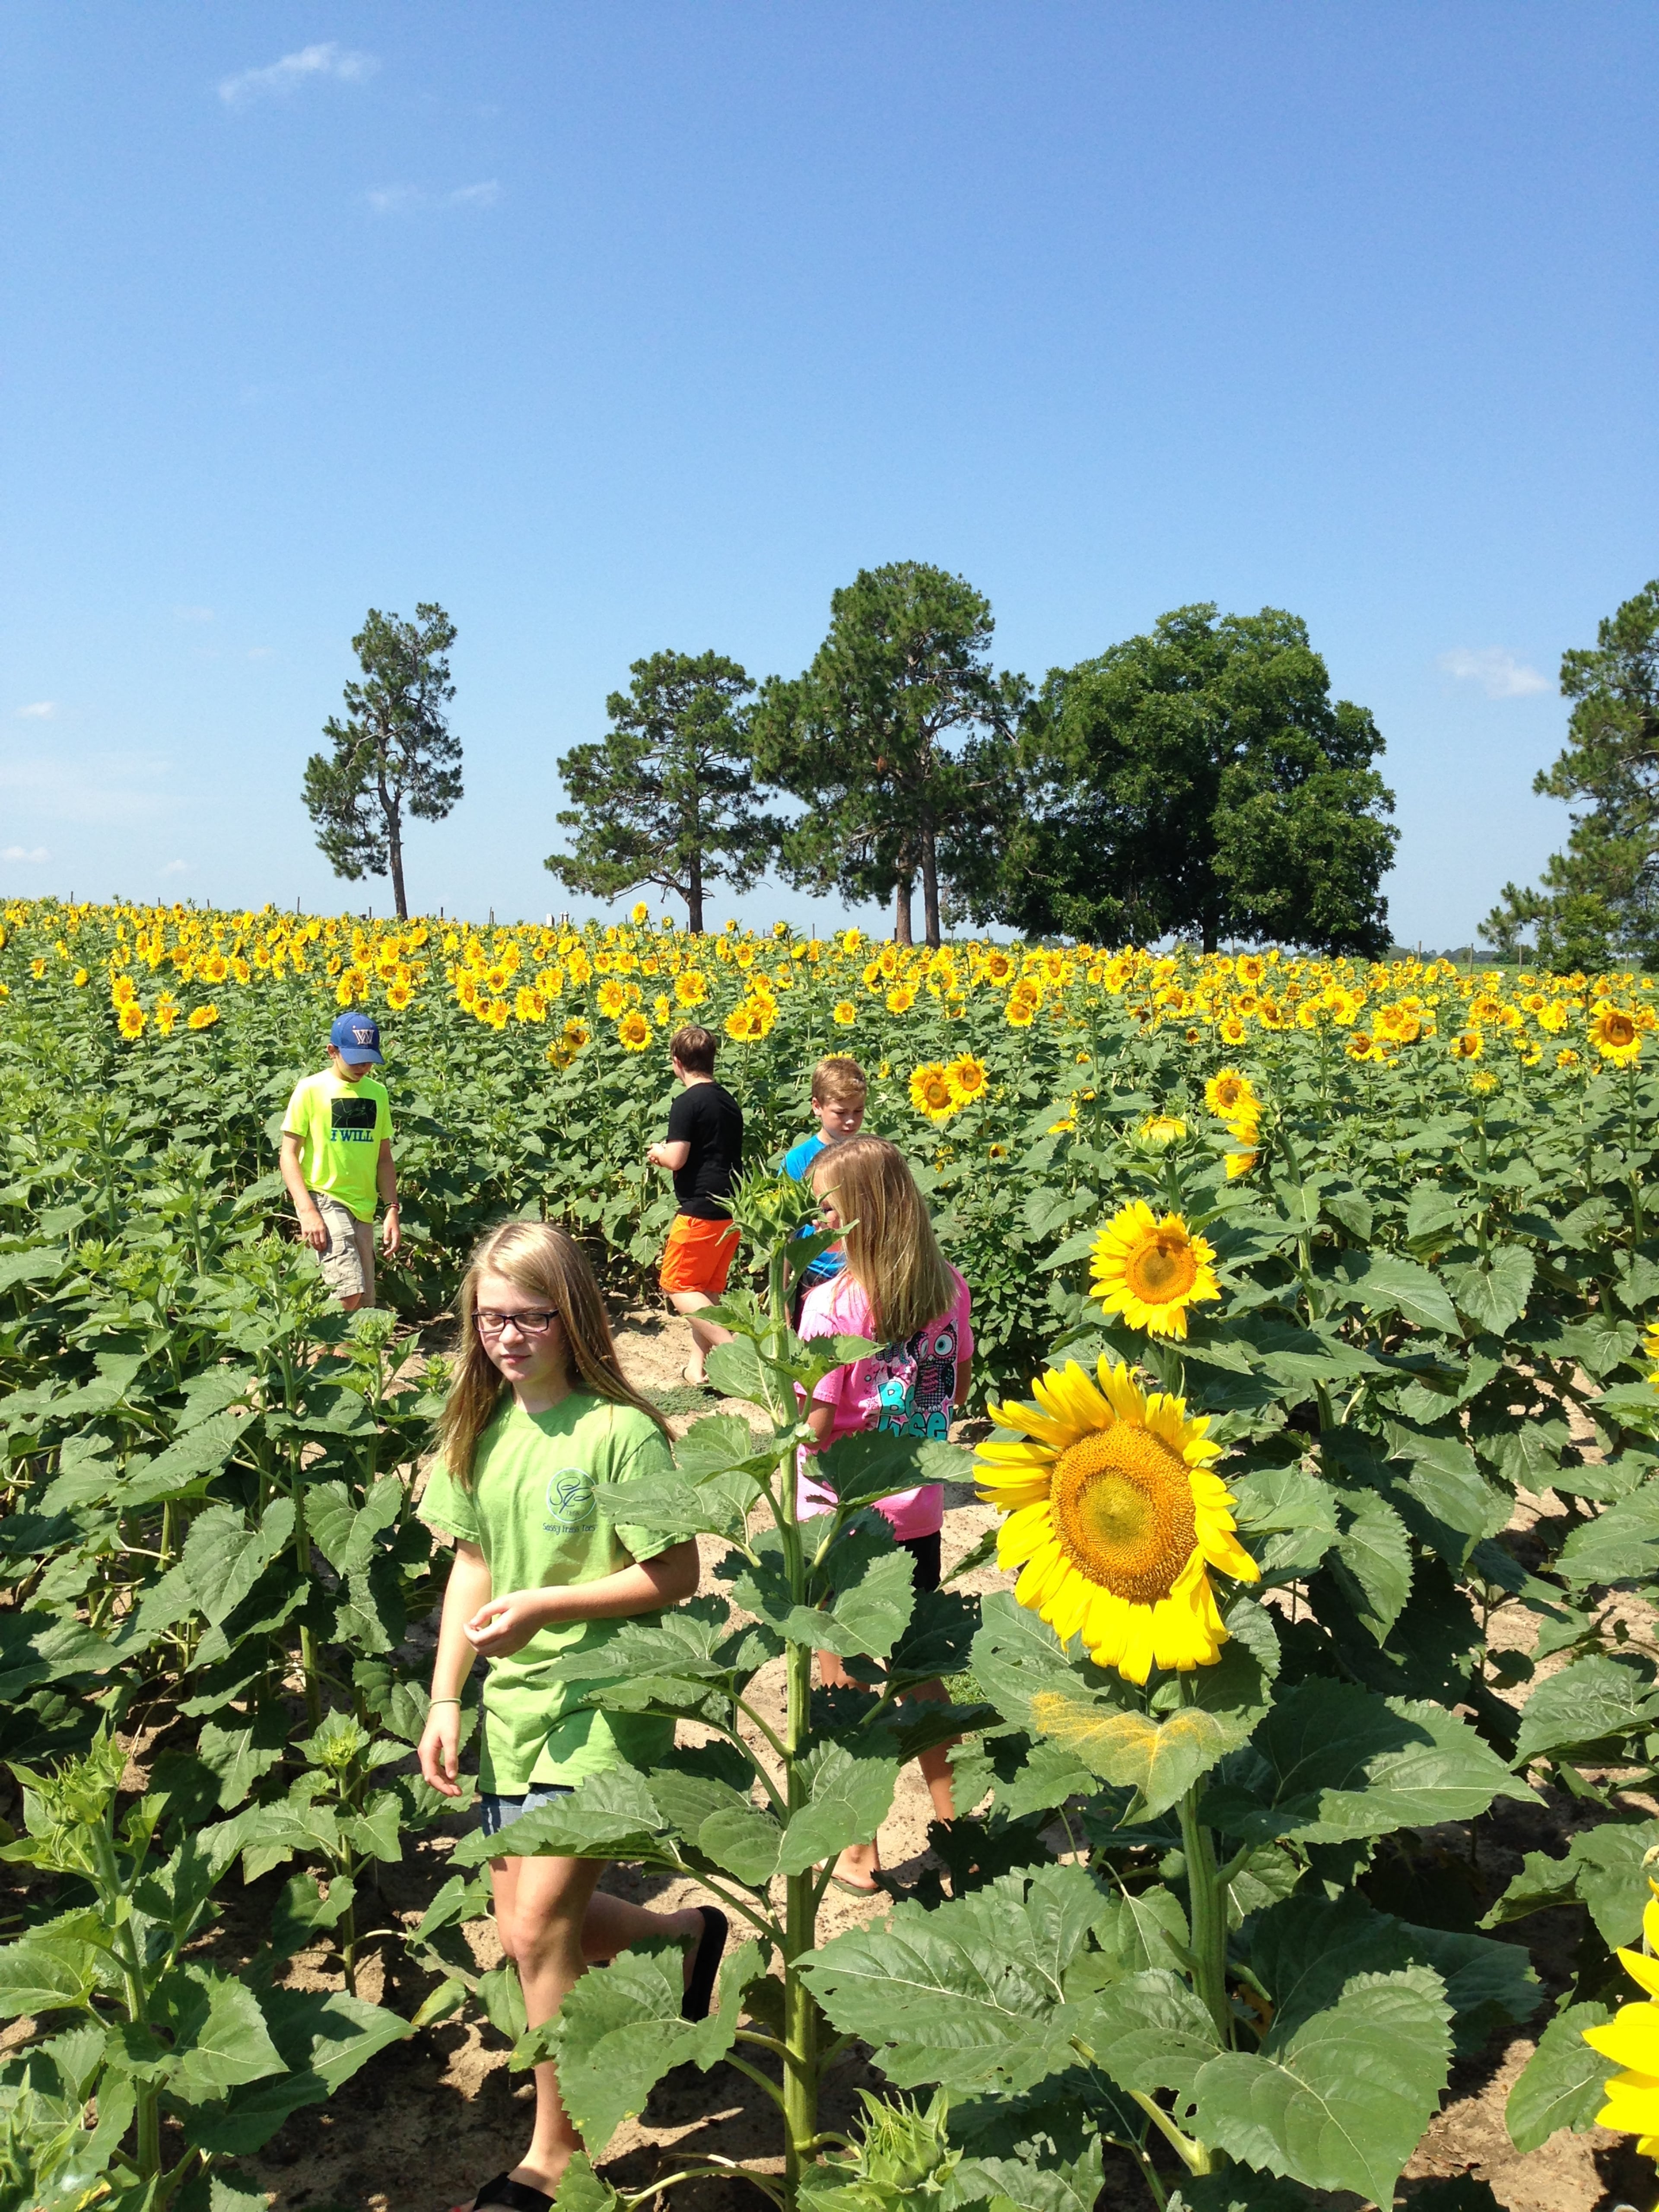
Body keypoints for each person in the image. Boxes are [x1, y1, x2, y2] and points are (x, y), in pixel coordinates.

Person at [418, 1220, 727, 2212]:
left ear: (573, 1315)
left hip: (602, 1702)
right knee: (520, 1927)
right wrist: (444, 1694)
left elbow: (676, 1571)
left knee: (538, 1926)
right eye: (490, 1318)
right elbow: (472, 1562)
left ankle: (557, 2152)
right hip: (512, 1709)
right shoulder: (484, 1428)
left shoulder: (618, 1429)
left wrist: (551, 1603)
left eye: (529, 1317)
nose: (507, 1337)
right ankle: (685, 1938)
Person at [795, 1135, 972, 1891]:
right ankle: (956, 1821)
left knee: (843, 1685)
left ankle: (860, 1849)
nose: (818, 1223)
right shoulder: (948, 1288)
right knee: (921, 1671)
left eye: (826, 1210)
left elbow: (817, 1426)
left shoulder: (832, 1307)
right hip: (919, 1509)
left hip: (842, 1515)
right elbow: (954, 1390)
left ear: (858, 1216)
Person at [279, 1010, 401, 1310]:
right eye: (356, 1058)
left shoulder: (378, 1094)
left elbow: (384, 1159)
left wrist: (392, 1209)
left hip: (363, 1205)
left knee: (363, 1305)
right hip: (325, 1197)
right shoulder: (311, 1089)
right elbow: (288, 1154)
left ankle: (329, 1356)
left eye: (369, 1059)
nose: (364, 1066)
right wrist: (306, 1210)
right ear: (332, 1051)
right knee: (348, 1293)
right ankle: (331, 1358)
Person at [645, 1025, 744, 1386]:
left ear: (677, 1063)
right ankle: (697, 1369)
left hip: (700, 1208)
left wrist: (658, 1152)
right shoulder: (727, 1101)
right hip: (732, 1206)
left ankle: (737, 1359)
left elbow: (677, 1158)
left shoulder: (687, 1103)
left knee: (676, 1284)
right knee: (706, 1290)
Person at [781, 1056, 866, 1316]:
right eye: (841, 1113)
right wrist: (783, 1302)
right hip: (815, 1274)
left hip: (861, 1272)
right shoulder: (798, 1161)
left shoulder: (866, 1155)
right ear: (817, 1106)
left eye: (859, 1111)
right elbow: (785, 1234)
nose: (851, 1121)